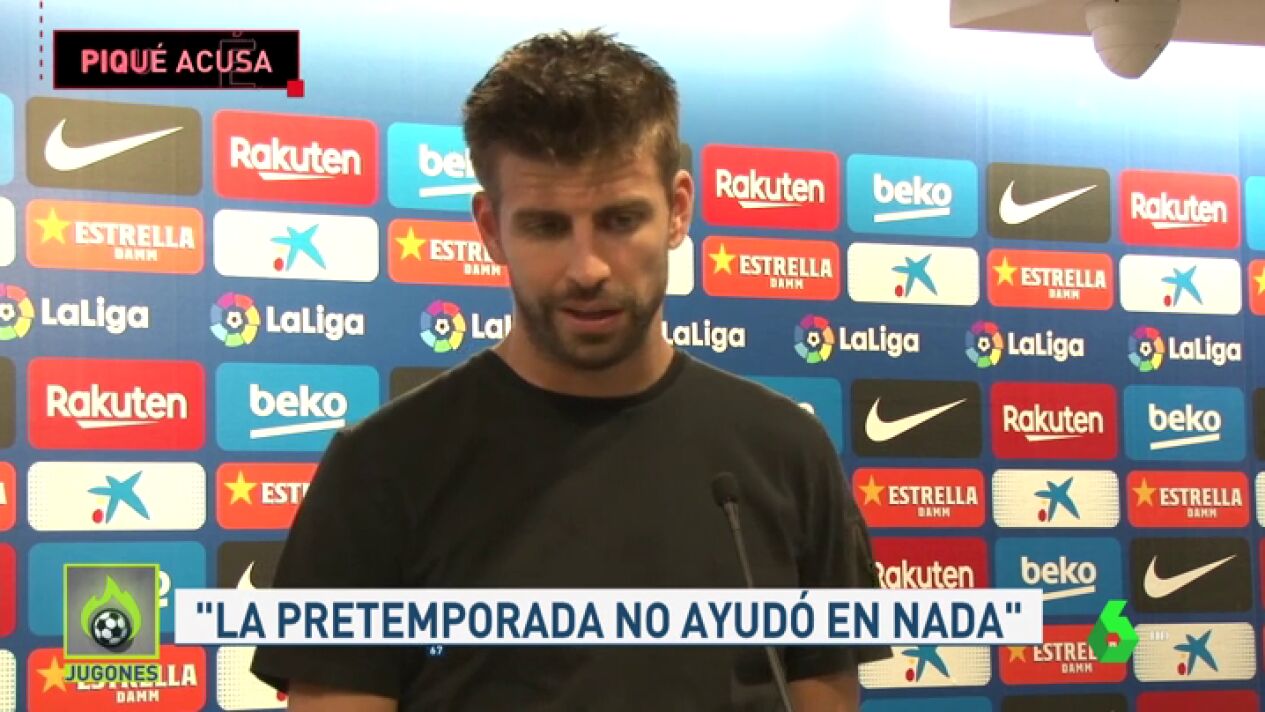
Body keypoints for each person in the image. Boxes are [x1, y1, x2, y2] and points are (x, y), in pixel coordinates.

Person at [251, 28, 891, 711]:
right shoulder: (380, 469)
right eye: (547, 227)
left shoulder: (787, 451)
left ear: (677, 210)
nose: (587, 268)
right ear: (491, 228)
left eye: (620, 220)